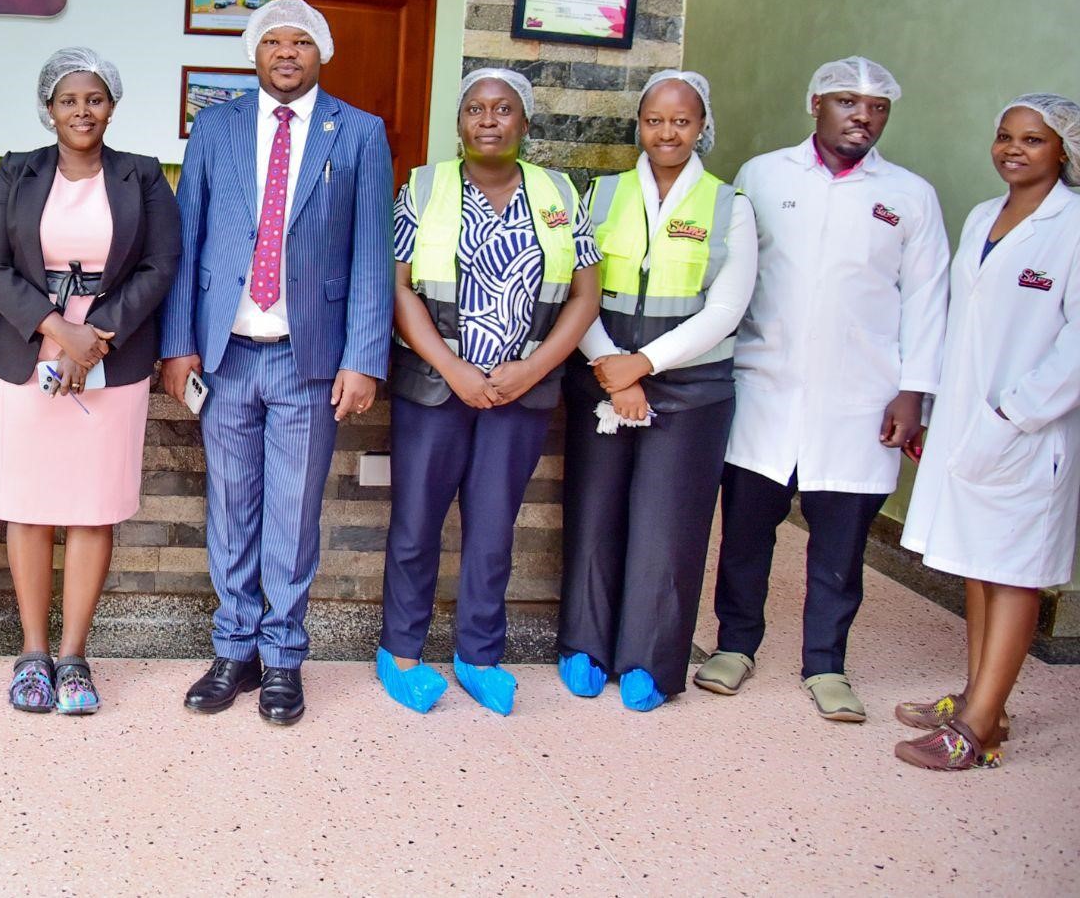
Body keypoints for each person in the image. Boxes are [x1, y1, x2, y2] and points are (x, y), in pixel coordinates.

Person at [160, 0, 394, 726]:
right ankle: (234, 650)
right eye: (273, 42)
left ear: (322, 53)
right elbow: (187, 238)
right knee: (231, 507)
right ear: (253, 53)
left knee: (292, 515)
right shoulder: (217, 126)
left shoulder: (359, 132)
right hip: (225, 354)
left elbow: (371, 251)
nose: (286, 53)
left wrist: (364, 356)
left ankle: (284, 658)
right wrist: (178, 344)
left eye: (301, 42)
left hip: (309, 357)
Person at [695, 56, 948, 724]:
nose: (862, 116)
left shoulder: (911, 196)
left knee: (840, 546)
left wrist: (915, 391)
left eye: (876, 107)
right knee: (746, 533)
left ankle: (826, 664)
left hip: (861, 398)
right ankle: (734, 645)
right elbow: (732, 274)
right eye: (846, 102)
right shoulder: (764, 175)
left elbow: (928, 299)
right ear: (816, 104)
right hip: (764, 385)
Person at [380, 68, 601, 717]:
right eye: (475, 108)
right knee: (416, 522)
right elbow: (397, 287)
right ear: (459, 122)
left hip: (520, 392)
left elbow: (585, 296)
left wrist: (532, 370)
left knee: (493, 525)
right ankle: (400, 651)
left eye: (503, 109)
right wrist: (453, 367)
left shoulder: (559, 192)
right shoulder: (424, 186)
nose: (488, 119)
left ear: (524, 123)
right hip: (435, 385)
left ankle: (478, 654)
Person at [0, 48, 180, 714]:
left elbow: (161, 264)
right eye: (68, 100)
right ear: (49, 108)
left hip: (112, 364)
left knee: (93, 509)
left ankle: (73, 658)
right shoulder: (15, 172)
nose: (82, 111)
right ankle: (33, 654)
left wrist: (96, 339)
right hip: (26, 359)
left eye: (94, 99)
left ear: (112, 106)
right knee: (29, 507)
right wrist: (61, 332)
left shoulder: (144, 175)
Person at [557, 71, 758, 711]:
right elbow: (576, 288)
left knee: (668, 524)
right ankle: (584, 646)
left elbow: (726, 309)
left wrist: (642, 365)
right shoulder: (601, 194)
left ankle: (650, 659)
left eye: (681, 121)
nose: (667, 132)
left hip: (691, 387)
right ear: (639, 125)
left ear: (702, 127)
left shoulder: (730, 205)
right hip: (602, 375)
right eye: (654, 120)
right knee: (594, 513)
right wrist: (611, 366)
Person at [895, 95, 1080, 770]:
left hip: (1029, 432)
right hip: (970, 422)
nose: (1013, 149)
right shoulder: (982, 216)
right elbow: (960, 322)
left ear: (1064, 149)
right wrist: (936, 409)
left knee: (1013, 573)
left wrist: (1014, 415)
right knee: (978, 564)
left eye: (1033, 139)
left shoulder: (1073, 225)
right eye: (1005, 136)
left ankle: (976, 730)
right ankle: (983, 701)